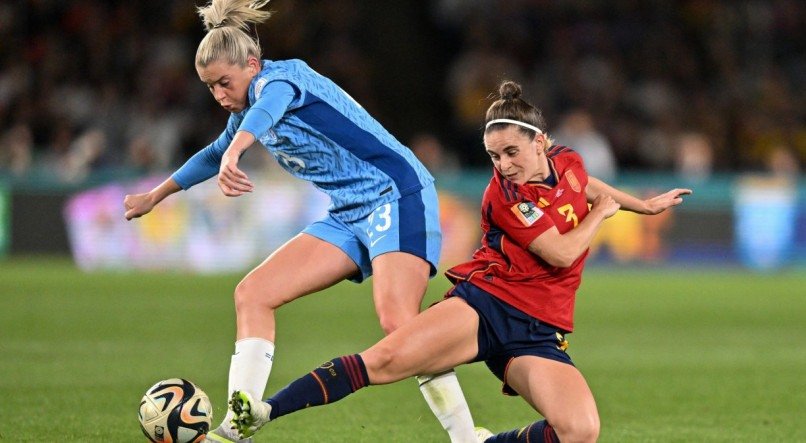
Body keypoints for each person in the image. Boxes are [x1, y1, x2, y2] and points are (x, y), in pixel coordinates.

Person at [227, 80, 692, 442]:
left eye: (511, 152)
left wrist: (642, 206)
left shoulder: (568, 162)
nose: (503, 164)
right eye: (494, 156)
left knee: (580, 431)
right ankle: (265, 411)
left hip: (538, 330)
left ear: (542, 144)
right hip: (485, 307)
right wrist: (601, 218)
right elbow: (562, 251)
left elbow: (588, 187)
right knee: (385, 361)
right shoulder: (506, 196)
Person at [122, 1, 477, 442]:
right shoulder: (244, 112)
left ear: (252, 64)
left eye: (223, 82)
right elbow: (213, 155)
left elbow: (263, 114)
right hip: (348, 212)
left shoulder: (282, 79)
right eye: (210, 87)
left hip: (395, 193)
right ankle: (236, 428)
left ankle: (467, 436)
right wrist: (157, 195)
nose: (218, 95)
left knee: (399, 322)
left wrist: (237, 151)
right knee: (253, 293)